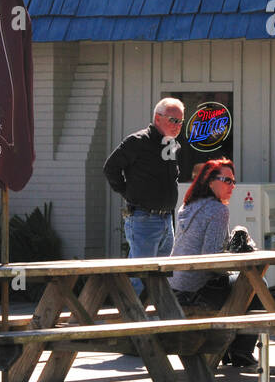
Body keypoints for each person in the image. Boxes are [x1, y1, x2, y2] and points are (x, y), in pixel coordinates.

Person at [169, 158, 257, 367]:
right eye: (226, 180)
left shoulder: (188, 205)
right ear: (209, 182)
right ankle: (239, 352)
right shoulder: (218, 210)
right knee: (253, 287)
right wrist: (237, 256)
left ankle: (228, 350)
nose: (231, 186)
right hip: (194, 291)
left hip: (174, 287)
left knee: (243, 286)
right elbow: (213, 259)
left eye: (233, 182)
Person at [104, 97, 184, 294]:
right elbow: (110, 168)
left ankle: (156, 320)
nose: (177, 126)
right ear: (158, 119)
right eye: (173, 120)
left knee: (161, 278)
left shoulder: (172, 145)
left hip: (166, 220)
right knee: (139, 279)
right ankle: (129, 320)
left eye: (180, 122)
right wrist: (127, 193)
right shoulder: (138, 141)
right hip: (144, 218)